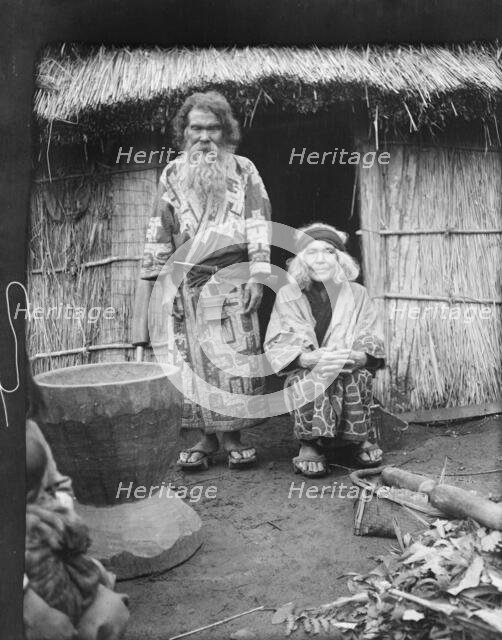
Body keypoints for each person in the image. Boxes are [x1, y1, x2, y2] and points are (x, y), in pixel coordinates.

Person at [139, 90, 271, 471]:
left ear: (225, 131)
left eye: (213, 128)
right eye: (196, 128)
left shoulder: (245, 170)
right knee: (193, 362)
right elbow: (158, 231)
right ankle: (206, 439)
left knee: (231, 358)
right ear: (184, 131)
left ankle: (233, 437)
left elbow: (260, 224)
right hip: (185, 280)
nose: (204, 137)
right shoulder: (171, 174)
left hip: (232, 277)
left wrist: (258, 276)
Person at [264, 223, 385, 477]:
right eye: (311, 252)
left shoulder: (358, 293)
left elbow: (372, 334)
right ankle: (309, 444)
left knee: (360, 376)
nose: (320, 260)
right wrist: (306, 358)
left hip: (347, 367)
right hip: (310, 369)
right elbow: (277, 341)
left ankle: (357, 439)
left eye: (328, 252)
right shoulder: (288, 294)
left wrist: (360, 356)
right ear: (300, 260)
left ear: (340, 259)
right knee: (303, 378)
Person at [24, 368, 129, 640]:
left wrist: (56, 505)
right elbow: (79, 539)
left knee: (108, 616)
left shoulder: (25, 430)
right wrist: (34, 609)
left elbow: (58, 484)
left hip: (49, 578)